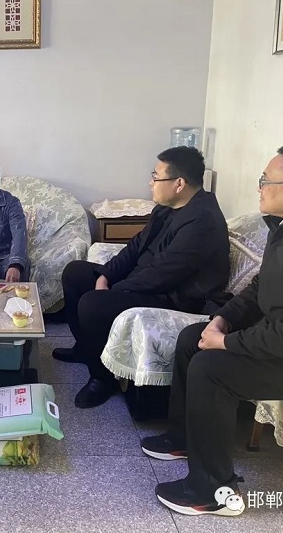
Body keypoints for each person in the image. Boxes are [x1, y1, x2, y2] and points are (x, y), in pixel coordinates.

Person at [141, 143, 283, 516]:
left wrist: (228, 343)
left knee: (212, 368)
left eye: (266, 181)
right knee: (192, 339)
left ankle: (211, 492)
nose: (259, 188)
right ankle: (185, 439)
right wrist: (222, 320)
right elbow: (261, 286)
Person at [56, 146, 230, 409]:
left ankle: (102, 379)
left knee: (93, 303)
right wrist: (105, 275)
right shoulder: (167, 208)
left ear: (179, 184)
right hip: (151, 282)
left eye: (156, 177)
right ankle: (85, 348)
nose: (151, 183)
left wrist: (114, 290)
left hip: (176, 298)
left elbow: (163, 275)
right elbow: (136, 246)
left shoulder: (202, 221)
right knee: (75, 272)